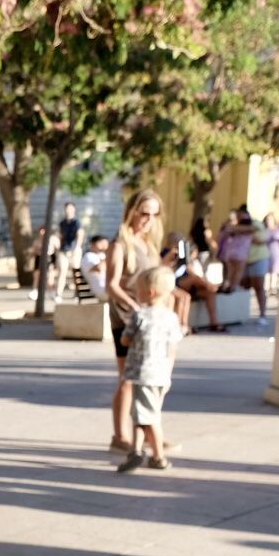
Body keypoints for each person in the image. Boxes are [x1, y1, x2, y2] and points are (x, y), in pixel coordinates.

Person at [106, 190, 164, 452]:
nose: (148, 220)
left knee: (149, 379)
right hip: (126, 319)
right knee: (128, 379)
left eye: (153, 215)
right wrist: (134, 307)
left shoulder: (149, 244)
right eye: (144, 214)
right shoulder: (120, 244)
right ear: (132, 212)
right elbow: (112, 285)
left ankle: (151, 435)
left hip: (150, 320)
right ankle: (120, 436)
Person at [116, 266, 184, 473]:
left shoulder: (140, 316)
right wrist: (168, 374)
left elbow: (125, 339)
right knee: (141, 414)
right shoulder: (171, 318)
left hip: (141, 373)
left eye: (138, 289)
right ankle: (135, 450)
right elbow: (173, 347)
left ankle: (158, 456)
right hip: (161, 373)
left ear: (150, 292)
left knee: (150, 417)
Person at [162, 231, 225, 333]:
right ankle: (213, 286)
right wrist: (171, 259)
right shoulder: (165, 253)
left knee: (208, 293)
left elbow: (190, 270)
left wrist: (188, 261)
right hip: (174, 282)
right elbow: (163, 270)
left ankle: (213, 322)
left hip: (187, 283)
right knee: (192, 282)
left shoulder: (183, 254)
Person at [217, 207, 253, 294]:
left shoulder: (231, 228)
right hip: (240, 254)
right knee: (238, 271)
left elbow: (221, 236)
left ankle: (229, 286)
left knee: (231, 272)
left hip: (230, 253)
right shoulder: (248, 229)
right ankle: (233, 287)